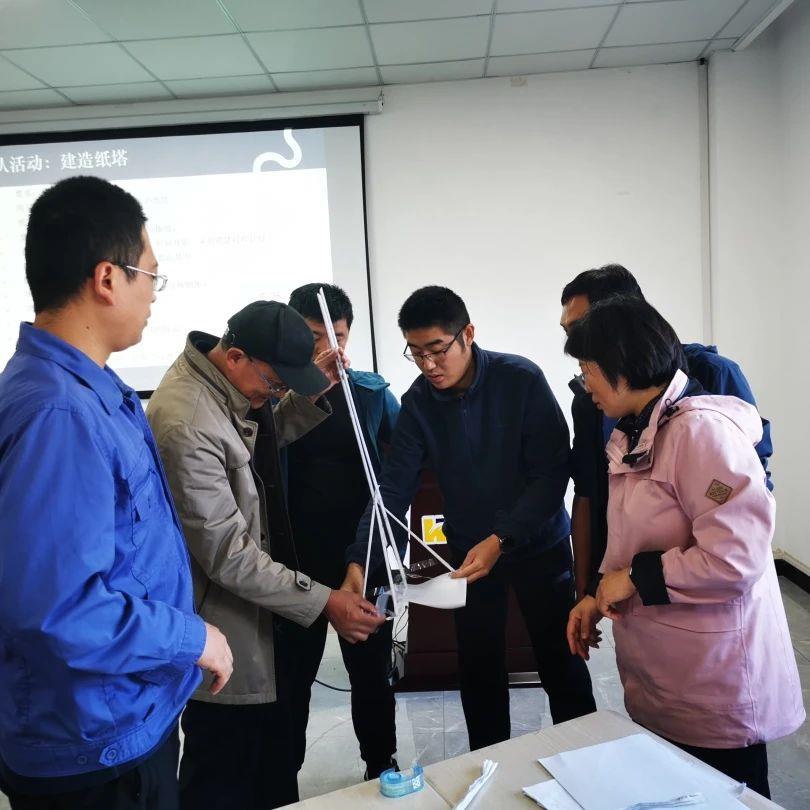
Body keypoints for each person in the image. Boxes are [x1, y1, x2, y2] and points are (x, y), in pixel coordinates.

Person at [0, 176, 232, 810]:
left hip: (118, 715)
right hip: (94, 746)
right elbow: (59, 611)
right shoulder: (60, 414)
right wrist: (192, 639)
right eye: (150, 275)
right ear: (107, 278)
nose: (154, 294)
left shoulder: (88, 391)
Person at [146, 300, 385, 810]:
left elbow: (258, 438)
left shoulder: (222, 386)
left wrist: (305, 393)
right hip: (226, 630)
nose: (272, 397)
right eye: (275, 385)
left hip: (258, 619)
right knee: (226, 774)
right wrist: (325, 601)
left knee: (273, 763)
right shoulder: (187, 422)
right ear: (237, 357)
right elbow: (228, 555)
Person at [565, 296, 803, 797]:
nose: (585, 386)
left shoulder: (700, 433)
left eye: (588, 371)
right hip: (669, 672)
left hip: (715, 680)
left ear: (622, 365)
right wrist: (597, 593)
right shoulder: (638, 432)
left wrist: (633, 578)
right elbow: (635, 536)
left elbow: (734, 557)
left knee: (724, 796)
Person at [342, 286, 596, 752]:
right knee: (478, 668)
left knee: (560, 659)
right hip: (468, 556)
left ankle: (586, 759)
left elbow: (550, 474)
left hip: (538, 544)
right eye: (416, 352)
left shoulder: (520, 379)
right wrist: (361, 560)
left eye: (437, 349)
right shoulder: (418, 402)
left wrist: (503, 537)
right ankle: (488, 765)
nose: (428, 365)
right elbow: (392, 491)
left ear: (468, 334)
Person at [559, 264, 773, 600]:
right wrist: (591, 588)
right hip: (639, 588)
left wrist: (641, 575)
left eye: (582, 329)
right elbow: (591, 493)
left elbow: (742, 514)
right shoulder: (597, 404)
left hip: (704, 592)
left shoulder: (703, 414)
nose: (575, 345)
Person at [285, 283, 401, 779]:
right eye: (315, 337)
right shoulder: (272, 399)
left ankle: (381, 765)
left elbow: (402, 469)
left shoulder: (370, 394)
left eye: (337, 336)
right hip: (293, 562)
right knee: (292, 678)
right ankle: (283, 775)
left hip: (361, 553)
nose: (328, 349)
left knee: (372, 672)